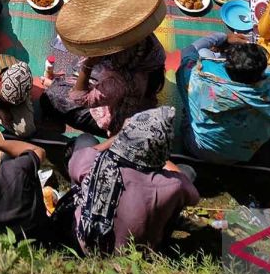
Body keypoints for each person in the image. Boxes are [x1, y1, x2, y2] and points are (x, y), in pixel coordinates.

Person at [68, 106, 199, 254]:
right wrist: (159, 158)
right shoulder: (173, 185)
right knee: (187, 172)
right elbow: (193, 197)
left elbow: (76, 163)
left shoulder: (96, 163)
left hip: (84, 244)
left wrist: (116, 138)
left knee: (85, 140)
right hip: (136, 253)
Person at [176, 34, 270, 164]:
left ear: (227, 66)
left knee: (202, 57)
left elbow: (188, 52)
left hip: (200, 150)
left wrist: (223, 37)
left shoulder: (199, 80)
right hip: (241, 155)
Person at [42, 35, 167, 136]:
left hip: (119, 118)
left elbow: (79, 97)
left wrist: (88, 65)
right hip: (135, 94)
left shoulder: (117, 84)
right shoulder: (149, 46)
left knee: (52, 96)